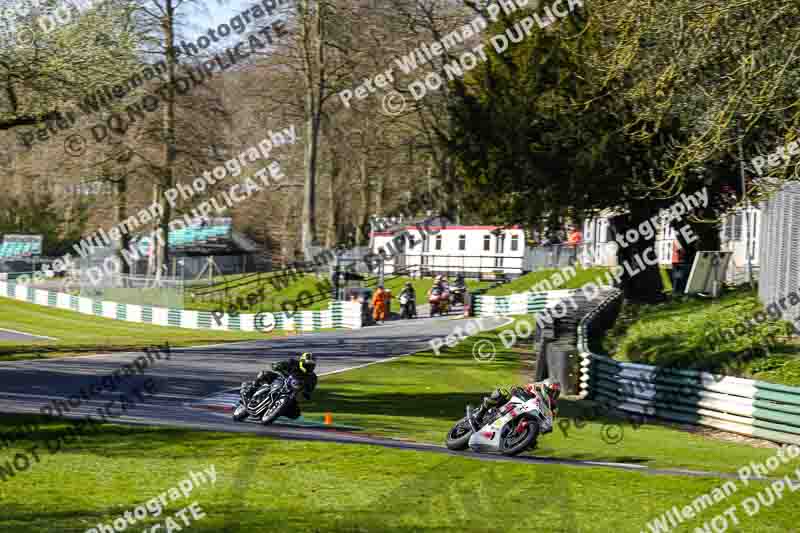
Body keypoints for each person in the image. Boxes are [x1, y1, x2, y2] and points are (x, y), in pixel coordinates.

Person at [468, 379, 561, 432]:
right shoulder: (536, 387)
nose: (553, 395)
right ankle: (480, 413)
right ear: (545, 388)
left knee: (534, 436)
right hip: (519, 403)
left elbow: (550, 420)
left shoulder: (553, 407)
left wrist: (547, 427)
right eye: (552, 392)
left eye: (556, 393)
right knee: (503, 393)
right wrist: (521, 389)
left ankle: (521, 439)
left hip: (530, 416)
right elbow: (524, 387)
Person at [251, 352, 318, 419]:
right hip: (281, 380)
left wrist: (306, 393)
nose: (310, 367)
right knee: (264, 374)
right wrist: (277, 365)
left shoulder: (313, 377)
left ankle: (275, 412)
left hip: (292, 392)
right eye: (308, 365)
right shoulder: (293, 363)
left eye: (312, 365)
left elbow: (310, 389)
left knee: (295, 414)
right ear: (302, 362)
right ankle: (252, 389)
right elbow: (277, 365)